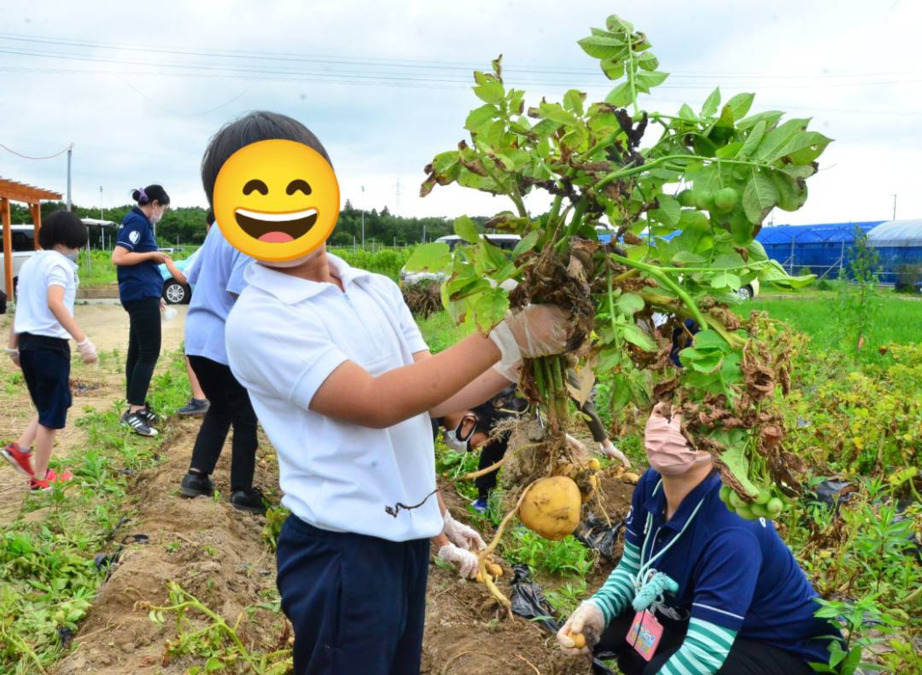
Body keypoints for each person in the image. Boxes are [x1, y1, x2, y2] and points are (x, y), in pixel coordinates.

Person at [209, 111, 571, 674]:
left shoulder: (374, 288)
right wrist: (507, 334)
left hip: (402, 543)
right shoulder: (260, 318)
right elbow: (379, 403)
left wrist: (520, 358)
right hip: (341, 552)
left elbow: (434, 396)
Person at [556, 403, 841, 674]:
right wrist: (598, 608)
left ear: (719, 440)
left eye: (689, 420)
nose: (671, 424)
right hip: (703, 617)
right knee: (615, 638)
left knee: (657, 668)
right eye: (664, 410)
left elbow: (704, 653)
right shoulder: (652, 484)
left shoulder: (732, 530)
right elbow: (632, 567)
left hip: (784, 648)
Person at [2, 211, 98, 490]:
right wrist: (82, 340)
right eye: (78, 245)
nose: (78, 251)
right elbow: (55, 303)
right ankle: (41, 478)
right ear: (67, 241)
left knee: (55, 403)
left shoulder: (31, 263)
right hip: (50, 346)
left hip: (28, 344)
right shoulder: (59, 265)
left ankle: (21, 448)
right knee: (51, 415)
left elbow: (21, 306)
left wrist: (12, 346)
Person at [176, 208, 262, 513]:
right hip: (225, 339)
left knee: (221, 407)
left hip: (197, 338)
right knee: (245, 416)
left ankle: (196, 476)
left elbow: (192, 275)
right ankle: (242, 491)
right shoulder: (249, 235)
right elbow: (239, 292)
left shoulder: (219, 230)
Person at [112, 185, 171, 436]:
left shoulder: (141, 223)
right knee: (149, 352)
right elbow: (119, 257)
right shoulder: (137, 222)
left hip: (144, 293)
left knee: (137, 351)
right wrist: (151, 255)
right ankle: (135, 411)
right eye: (163, 209)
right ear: (155, 204)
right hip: (140, 294)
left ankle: (136, 405)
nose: (162, 214)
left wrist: (156, 294)